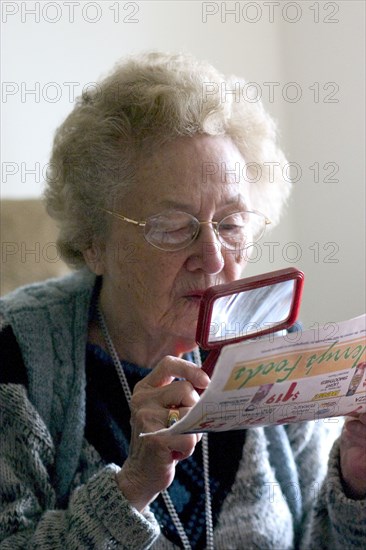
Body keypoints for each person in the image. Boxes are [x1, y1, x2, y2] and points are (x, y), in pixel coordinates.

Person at [0, 52, 365, 550]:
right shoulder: (17, 358)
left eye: (232, 224)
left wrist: (354, 480)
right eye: (174, 228)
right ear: (94, 242)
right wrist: (131, 489)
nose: (213, 258)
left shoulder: (276, 346)